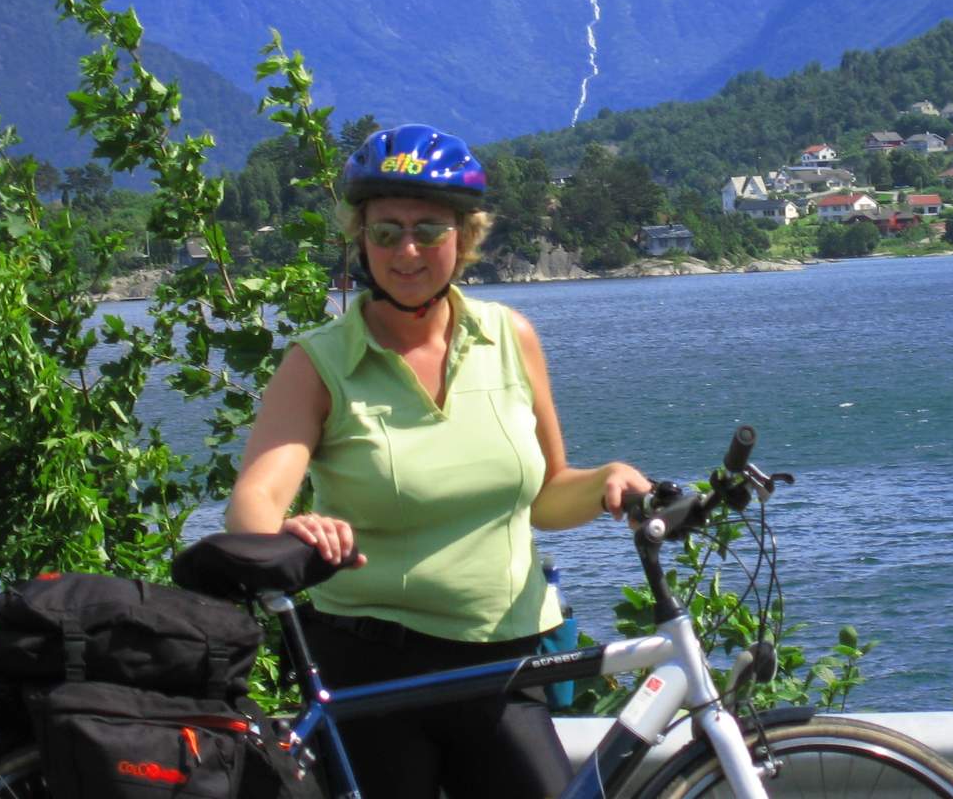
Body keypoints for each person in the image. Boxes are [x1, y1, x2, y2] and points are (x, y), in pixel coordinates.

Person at [226, 123, 650, 798]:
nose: (408, 250)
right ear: (361, 239)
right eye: (386, 231)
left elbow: (545, 495)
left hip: (504, 660)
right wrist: (290, 530)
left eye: (429, 228)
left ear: (466, 236)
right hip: (372, 664)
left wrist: (606, 482)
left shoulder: (511, 338)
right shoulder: (321, 363)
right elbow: (253, 503)